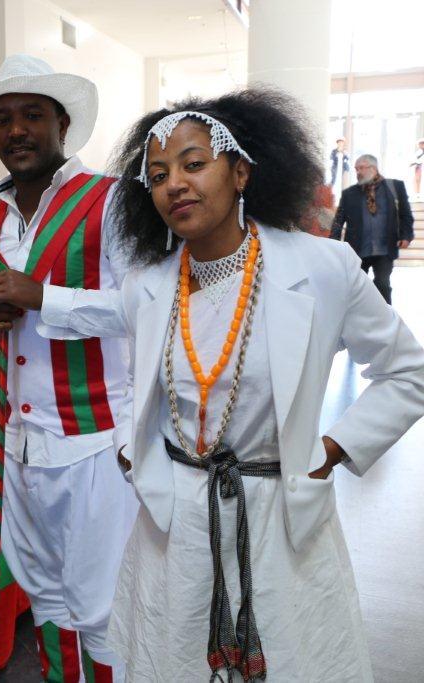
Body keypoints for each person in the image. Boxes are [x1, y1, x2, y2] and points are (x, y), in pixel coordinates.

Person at [106, 89, 424, 681]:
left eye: (194, 164)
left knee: (291, 661)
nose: (174, 183)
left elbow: (409, 371)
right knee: (174, 663)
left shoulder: (321, 268)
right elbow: (135, 386)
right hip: (174, 527)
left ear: (242, 170)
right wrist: (131, 449)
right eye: (158, 174)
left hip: (282, 523)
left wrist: (333, 449)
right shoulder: (144, 286)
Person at [0, 54, 137, 682]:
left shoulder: (112, 202)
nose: (16, 130)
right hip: (19, 444)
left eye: (33, 114)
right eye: (2, 119)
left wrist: (43, 298)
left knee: (105, 606)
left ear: (63, 123)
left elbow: (144, 308)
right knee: (48, 595)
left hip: (96, 441)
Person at [330, 153, 414, 304]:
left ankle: (386, 320)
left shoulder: (395, 187)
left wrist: (406, 235)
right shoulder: (349, 194)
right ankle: (357, 318)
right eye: (356, 169)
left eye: (361, 168)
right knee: (355, 288)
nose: (358, 172)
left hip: (384, 249)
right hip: (358, 250)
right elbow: (338, 221)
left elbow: (405, 215)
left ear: (373, 168)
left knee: (382, 284)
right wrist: (332, 245)